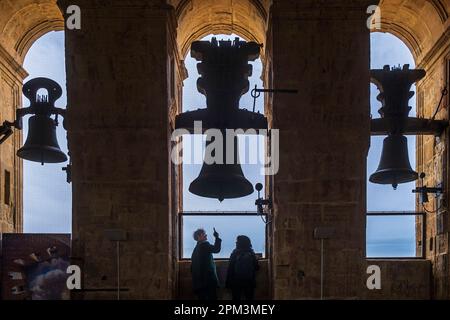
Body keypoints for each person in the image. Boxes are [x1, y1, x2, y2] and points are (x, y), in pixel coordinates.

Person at [191, 227, 222, 300]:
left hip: (198, 283)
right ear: (199, 237)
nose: (206, 235)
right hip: (208, 281)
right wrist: (217, 237)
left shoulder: (195, 250)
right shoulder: (204, 245)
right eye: (204, 234)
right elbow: (216, 249)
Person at [226, 235, 259, 301]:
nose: (236, 243)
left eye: (237, 241)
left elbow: (230, 268)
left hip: (236, 281)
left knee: (236, 298)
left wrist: (228, 282)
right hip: (249, 281)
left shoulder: (235, 252)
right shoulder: (251, 252)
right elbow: (256, 267)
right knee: (249, 298)